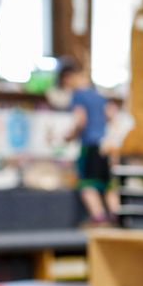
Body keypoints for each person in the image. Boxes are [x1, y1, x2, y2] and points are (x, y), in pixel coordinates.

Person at [60, 57, 118, 225]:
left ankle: (98, 217)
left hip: (90, 145)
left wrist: (69, 136)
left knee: (87, 184)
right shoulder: (99, 96)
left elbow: (80, 119)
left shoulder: (78, 96)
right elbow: (111, 116)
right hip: (105, 145)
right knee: (107, 184)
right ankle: (115, 216)